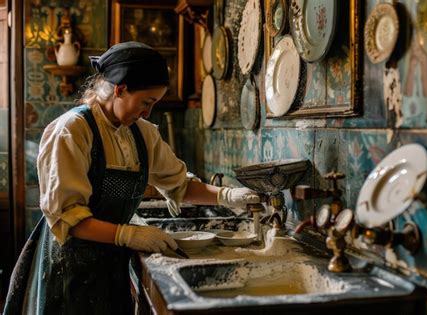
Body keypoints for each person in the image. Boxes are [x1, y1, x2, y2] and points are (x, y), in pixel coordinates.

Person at [4, 41, 260, 314]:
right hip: (69, 268)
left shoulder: (142, 133)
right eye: (146, 102)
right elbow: (69, 218)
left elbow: (180, 185)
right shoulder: (71, 131)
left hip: (111, 264)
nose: (148, 112)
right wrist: (127, 234)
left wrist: (227, 195)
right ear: (120, 89)